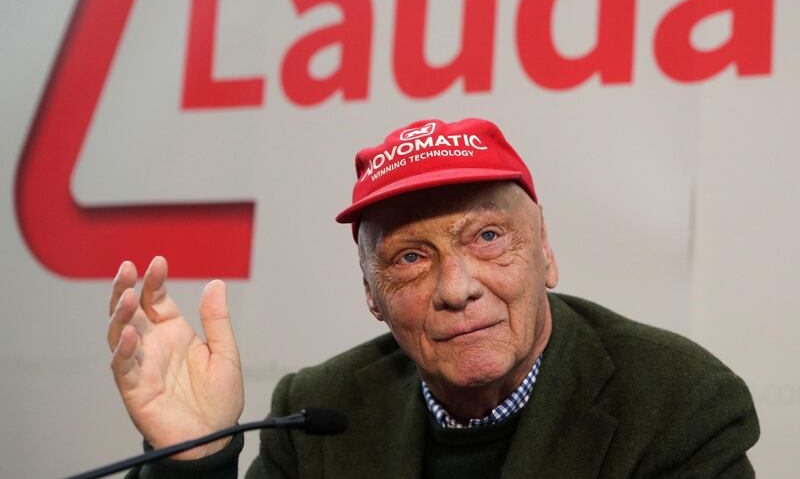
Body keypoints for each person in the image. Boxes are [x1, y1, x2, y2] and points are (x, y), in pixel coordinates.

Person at [107, 118, 759, 478]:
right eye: (410, 258)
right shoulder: (317, 414)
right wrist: (194, 461)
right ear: (372, 294)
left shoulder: (674, 401)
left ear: (546, 252)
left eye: (488, 237)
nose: (456, 287)